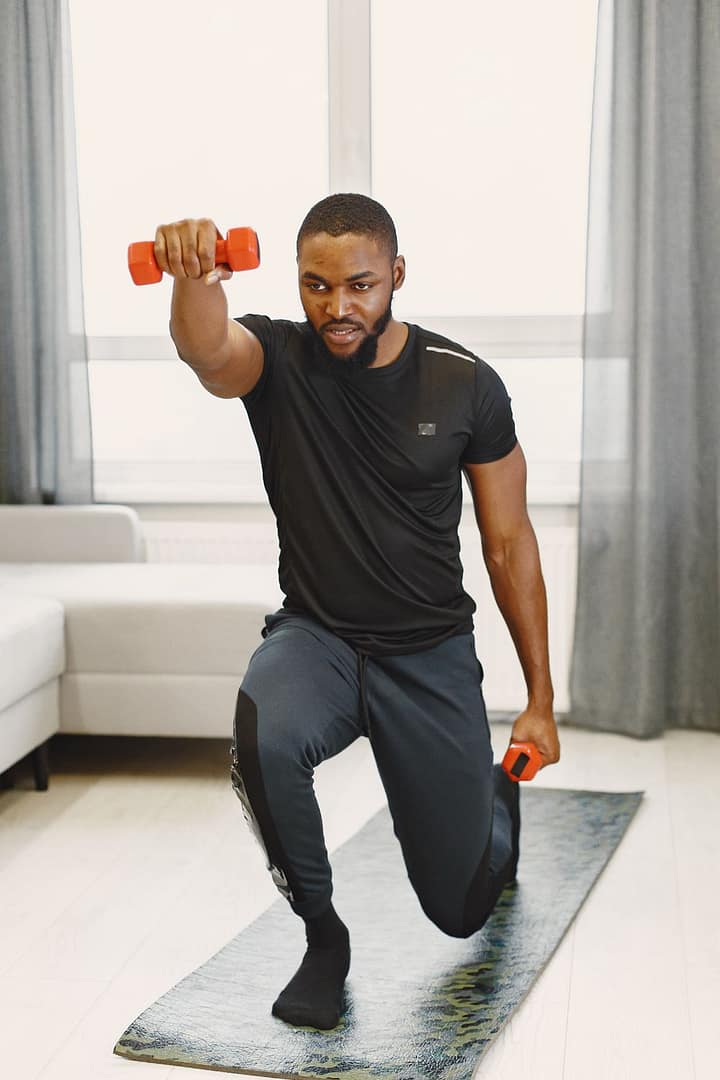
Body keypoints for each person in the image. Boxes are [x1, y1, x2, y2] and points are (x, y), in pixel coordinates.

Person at [157, 193, 560, 1031]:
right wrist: (195, 274)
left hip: (429, 652)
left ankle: (495, 806)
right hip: (320, 638)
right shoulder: (277, 358)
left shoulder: (466, 384)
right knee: (262, 735)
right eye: (317, 286)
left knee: (461, 910)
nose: (337, 308)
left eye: (360, 286)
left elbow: (509, 544)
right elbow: (206, 348)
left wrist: (540, 700)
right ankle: (322, 938)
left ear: (397, 278)